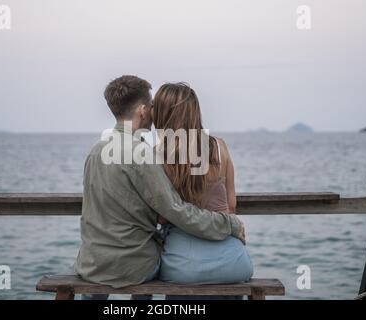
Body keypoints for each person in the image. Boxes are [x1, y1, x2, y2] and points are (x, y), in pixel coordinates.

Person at [74, 75, 245, 300]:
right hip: (141, 267)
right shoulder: (145, 153)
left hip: (91, 263)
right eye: (153, 106)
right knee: (146, 261)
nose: (155, 113)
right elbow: (176, 211)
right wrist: (229, 223)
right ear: (143, 111)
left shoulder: (97, 150)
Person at [152, 83, 253, 300]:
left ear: (162, 115)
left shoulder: (155, 156)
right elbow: (231, 206)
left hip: (183, 267)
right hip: (233, 264)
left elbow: (160, 217)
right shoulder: (218, 147)